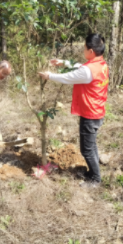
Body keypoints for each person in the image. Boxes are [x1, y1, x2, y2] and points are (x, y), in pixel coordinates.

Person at [39, 34, 109, 188]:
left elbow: (69, 77)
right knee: (92, 146)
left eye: (84, 48)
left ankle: (95, 179)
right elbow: (81, 68)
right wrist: (63, 62)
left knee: (87, 149)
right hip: (97, 111)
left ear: (91, 51)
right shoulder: (101, 64)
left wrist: (49, 76)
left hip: (90, 114)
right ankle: (92, 171)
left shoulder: (89, 70)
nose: (83, 50)